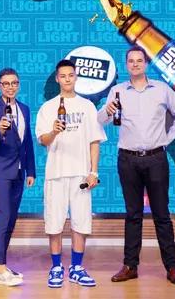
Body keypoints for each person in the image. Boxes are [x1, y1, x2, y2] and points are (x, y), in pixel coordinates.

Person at [98, 46, 175, 285]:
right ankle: (130, 266)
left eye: (140, 60)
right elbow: (101, 121)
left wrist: (166, 139)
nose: (135, 64)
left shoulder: (161, 89)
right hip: (127, 160)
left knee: (162, 214)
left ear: (146, 64)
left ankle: (172, 267)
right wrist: (106, 111)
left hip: (156, 159)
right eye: (131, 61)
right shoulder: (117, 91)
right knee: (133, 214)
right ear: (126, 65)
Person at [35, 59, 106, 288]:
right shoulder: (48, 108)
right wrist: (54, 132)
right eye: (63, 76)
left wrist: (93, 171)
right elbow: (42, 140)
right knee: (54, 223)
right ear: (57, 79)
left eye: (71, 75)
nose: (67, 79)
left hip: (81, 175)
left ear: (76, 77)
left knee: (81, 222)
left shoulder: (87, 106)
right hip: (56, 174)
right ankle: (56, 267)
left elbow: (94, 141)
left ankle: (76, 267)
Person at [0, 68, 36, 286]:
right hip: (1, 171)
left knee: (11, 217)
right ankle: (0, 266)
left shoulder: (24, 109)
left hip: (20, 171)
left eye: (14, 83)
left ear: (18, 85)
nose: (10, 87)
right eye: (6, 83)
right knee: (3, 215)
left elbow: (27, 141)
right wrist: (0, 131)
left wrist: (31, 170)